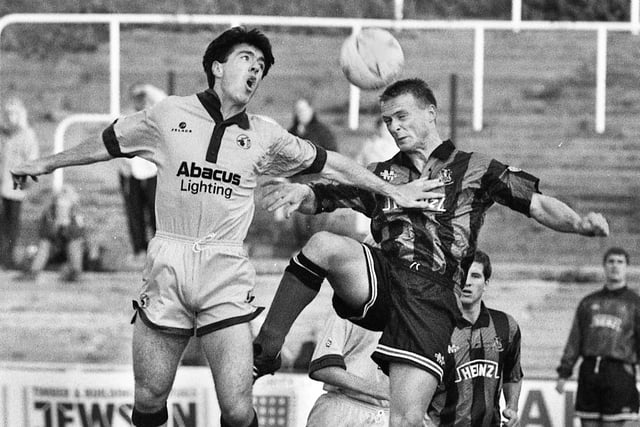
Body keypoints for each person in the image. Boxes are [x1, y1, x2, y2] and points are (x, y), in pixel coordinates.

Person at [11, 28, 440, 427]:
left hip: (225, 267)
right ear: (217, 66)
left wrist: (392, 190)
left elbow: (333, 162)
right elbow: (107, 143)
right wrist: (45, 163)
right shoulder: (167, 114)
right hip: (169, 264)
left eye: (261, 66)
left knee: (237, 409)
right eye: (247, 59)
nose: (255, 69)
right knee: (149, 396)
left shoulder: (265, 135)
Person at [252, 78, 609, 427]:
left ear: (431, 114)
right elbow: (328, 195)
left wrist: (578, 223)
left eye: (402, 116)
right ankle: (268, 347)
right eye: (388, 120)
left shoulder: (476, 168)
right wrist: (304, 195)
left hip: (431, 297)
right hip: (384, 276)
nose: (394, 127)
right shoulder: (383, 175)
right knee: (322, 245)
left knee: (405, 419)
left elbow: (538, 205)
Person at [426, 250, 523, 427]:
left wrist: (512, 407)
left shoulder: (506, 326)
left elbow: (513, 375)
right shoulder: (434, 327)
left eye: (475, 276)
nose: (467, 282)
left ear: (486, 283)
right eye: (461, 275)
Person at [555, 247, 640, 426]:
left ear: (627, 267)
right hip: (590, 371)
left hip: (619, 371)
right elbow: (575, 340)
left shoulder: (634, 303)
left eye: (620, 262)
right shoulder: (588, 302)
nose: (615, 266)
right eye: (611, 261)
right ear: (604, 266)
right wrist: (564, 372)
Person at [306, 311, 389, 427]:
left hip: (391, 415)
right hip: (342, 408)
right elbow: (323, 369)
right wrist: (379, 390)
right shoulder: (351, 307)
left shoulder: (417, 314)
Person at [118, 84, 165, 266]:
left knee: (156, 210)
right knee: (134, 211)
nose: (140, 101)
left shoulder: (159, 115)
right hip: (131, 170)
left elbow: (162, 97)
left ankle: (159, 250)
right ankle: (139, 250)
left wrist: (145, 88)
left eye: (143, 97)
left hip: (154, 169)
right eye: (137, 97)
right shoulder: (125, 117)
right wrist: (122, 163)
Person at [287, 96, 339, 249]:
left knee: (316, 220)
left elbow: (332, 155)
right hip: (297, 181)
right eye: (298, 110)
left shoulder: (322, 132)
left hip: (318, 181)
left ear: (311, 110)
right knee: (299, 221)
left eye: (303, 110)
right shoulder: (291, 133)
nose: (300, 113)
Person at [17, 185, 87, 282]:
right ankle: (33, 272)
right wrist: (56, 225)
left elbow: (78, 235)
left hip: (68, 246)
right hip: (53, 246)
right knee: (44, 245)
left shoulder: (76, 216)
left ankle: (76, 272)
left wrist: (66, 226)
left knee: (75, 244)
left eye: (65, 204)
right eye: (60, 204)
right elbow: (45, 235)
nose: (62, 207)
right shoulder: (49, 214)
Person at [0, 96, 39, 269]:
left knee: (12, 222)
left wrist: (24, 180)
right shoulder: (3, 134)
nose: (10, 117)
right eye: (8, 113)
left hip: (14, 184)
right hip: (1, 181)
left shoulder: (27, 134)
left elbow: (31, 158)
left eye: (14, 113)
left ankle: (7, 257)